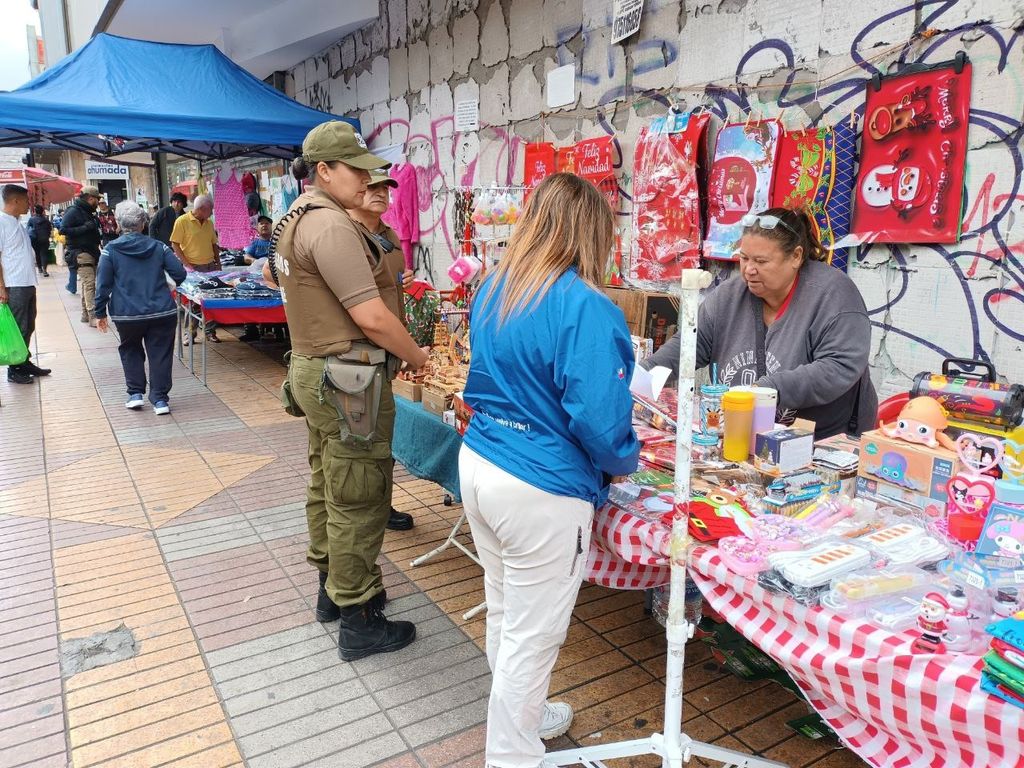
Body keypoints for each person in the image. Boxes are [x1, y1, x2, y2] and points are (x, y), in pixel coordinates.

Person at [459, 173, 640, 768]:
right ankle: (511, 754)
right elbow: (600, 420)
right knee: (532, 636)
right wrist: (623, 461)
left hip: (484, 460)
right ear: (593, 232)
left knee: (507, 612)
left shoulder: (495, 287)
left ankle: (523, 723)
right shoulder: (584, 305)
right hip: (540, 483)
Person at [275, 120, 429, 661]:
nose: (367, 180)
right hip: (348, 375)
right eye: (356, 170)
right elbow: (372, 317)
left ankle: (332, 591)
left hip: (318, 368)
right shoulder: (331, 225)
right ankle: (359, 617)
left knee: (329, 481)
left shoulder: (296, 218)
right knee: (360, 495)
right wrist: (420, 357)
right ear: (324, 170)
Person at [643, 207, 878, 439]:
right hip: (744, 434)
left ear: (796, 257)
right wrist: (642, 375)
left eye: (761, 261)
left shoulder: (834, 295)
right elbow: (687, 347)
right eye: (744, 258)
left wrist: (765, 390)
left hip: (824, 439)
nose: (749, 270)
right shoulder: (728, 298)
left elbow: (839, 366)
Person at [347, 171, 417, 533]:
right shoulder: (345, 234)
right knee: (361, 442)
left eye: (385, 189)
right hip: (357, 355)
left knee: (382, 437)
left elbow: (388, 285)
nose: (380, 194)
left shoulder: (388, 235)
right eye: (372, 187)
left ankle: (381, 505)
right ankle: (364, 512)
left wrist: (401, 282)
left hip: (386, 351)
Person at [95, 201, 187, 415]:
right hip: (162, 311)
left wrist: (100, 312)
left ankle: (135, 394)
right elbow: (180, 274)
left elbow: (103, 285)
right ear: (143, 224)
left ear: (119, 225)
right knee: (160, 353)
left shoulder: (110, 251)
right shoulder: (159, 247)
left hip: (126, 314)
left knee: (130, 349)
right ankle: (160, 400)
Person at [0, 185, 51, 384]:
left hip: (27, 281)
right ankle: (15, 369)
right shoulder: (2, 222)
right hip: (13, 284)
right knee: (19, 326)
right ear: (15, 200)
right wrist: (1, 287)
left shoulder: (16, 222)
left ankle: (24, 360)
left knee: (29, 324)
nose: (29, 204)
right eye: (26, 200)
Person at [170, 194, 220, 343]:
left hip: (210, 267)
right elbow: (175, 244)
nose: (212, 212)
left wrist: (218, 263)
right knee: (192, 302)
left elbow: (214, 244)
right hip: (193, 269)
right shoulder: (182, 221)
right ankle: (189, 334)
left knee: (211, 301)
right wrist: (186, 264)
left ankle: (210, 332)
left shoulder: (209, 223)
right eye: (210, 209)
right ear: (203, 209)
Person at [59, 185, 102, 325]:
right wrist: (85, 228)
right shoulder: (74, 211)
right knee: (89, 283)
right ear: (91, 198)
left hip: (90, 251)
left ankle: (85, 314)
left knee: (87, 284)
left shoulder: (87, 212)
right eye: (97, 199)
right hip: (80, 252)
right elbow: (63, 230)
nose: (99, 202)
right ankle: (92, 315)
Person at [26, 205, 53, 277]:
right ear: (42, 211)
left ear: (35, 211)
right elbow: (50, 229)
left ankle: (39, 268)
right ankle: (45, 270)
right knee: (44, 254)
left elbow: (27, 229)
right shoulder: (46, 220)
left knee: (37, 253)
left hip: (34, 239)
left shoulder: (31, 219)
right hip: (44, 239)